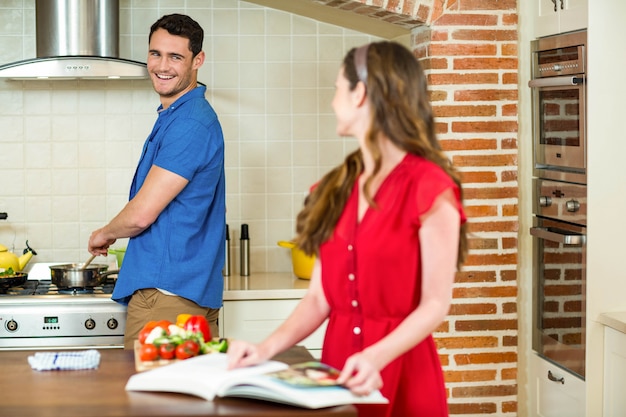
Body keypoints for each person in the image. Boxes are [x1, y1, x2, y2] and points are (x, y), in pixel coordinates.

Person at [227, 41, 468, 417]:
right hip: (339, 373)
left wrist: (376, 356)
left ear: (362, 94)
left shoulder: (430, 187)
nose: (332, 102)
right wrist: (264, 349)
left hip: (402, 372)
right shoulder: (333, 189)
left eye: (338, 89)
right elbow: (318, 299)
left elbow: (435, 303)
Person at [88, 14, 226, 349]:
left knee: (148, 399)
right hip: (180, 295)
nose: (162, 66)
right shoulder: (177, 116)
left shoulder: (190, 123)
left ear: (198, 61)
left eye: (175, 57)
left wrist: (103, 234)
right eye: (155, 54)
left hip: (166, 300)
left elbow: (141, 215)